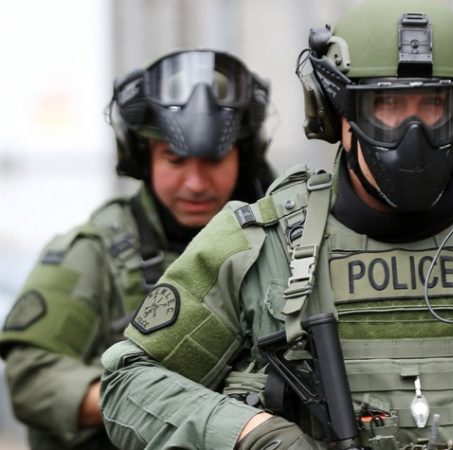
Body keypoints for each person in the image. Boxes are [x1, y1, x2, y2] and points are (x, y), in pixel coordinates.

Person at [99, 1, 453, 449]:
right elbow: (128, 381)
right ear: (338, 114)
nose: (411, 134)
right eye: (386, 107)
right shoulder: (262, 246)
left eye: (434, 105)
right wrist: (252, 435)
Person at [0, 49, 274, 450]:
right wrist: (148, 401)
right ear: (142, 159)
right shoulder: (96, 252)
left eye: (214, 160)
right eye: (175, 160)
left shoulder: (280, 239)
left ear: (243, 157)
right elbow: (32, 378)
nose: (196, 183)